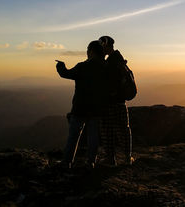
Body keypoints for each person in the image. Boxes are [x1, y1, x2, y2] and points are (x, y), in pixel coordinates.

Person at [56, 40, 106, 169]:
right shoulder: (104, 67)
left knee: (74, 135)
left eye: (88, 50)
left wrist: (61, 66)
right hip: (96, 108)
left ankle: (67, 162)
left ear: (91, 51)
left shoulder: (83, 66)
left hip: (80, 107)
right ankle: (91, 162)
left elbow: (66, 74)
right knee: (93, 136)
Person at [98, 36, 134, 166]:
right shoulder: (118, 60)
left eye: (102, 46)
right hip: (119, 102)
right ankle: (126, 158)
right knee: (122, 130)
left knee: (108, 130)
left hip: (110, 102)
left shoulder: (111, 62)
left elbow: (108, 82)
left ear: (106, 46)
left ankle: (111, 158)